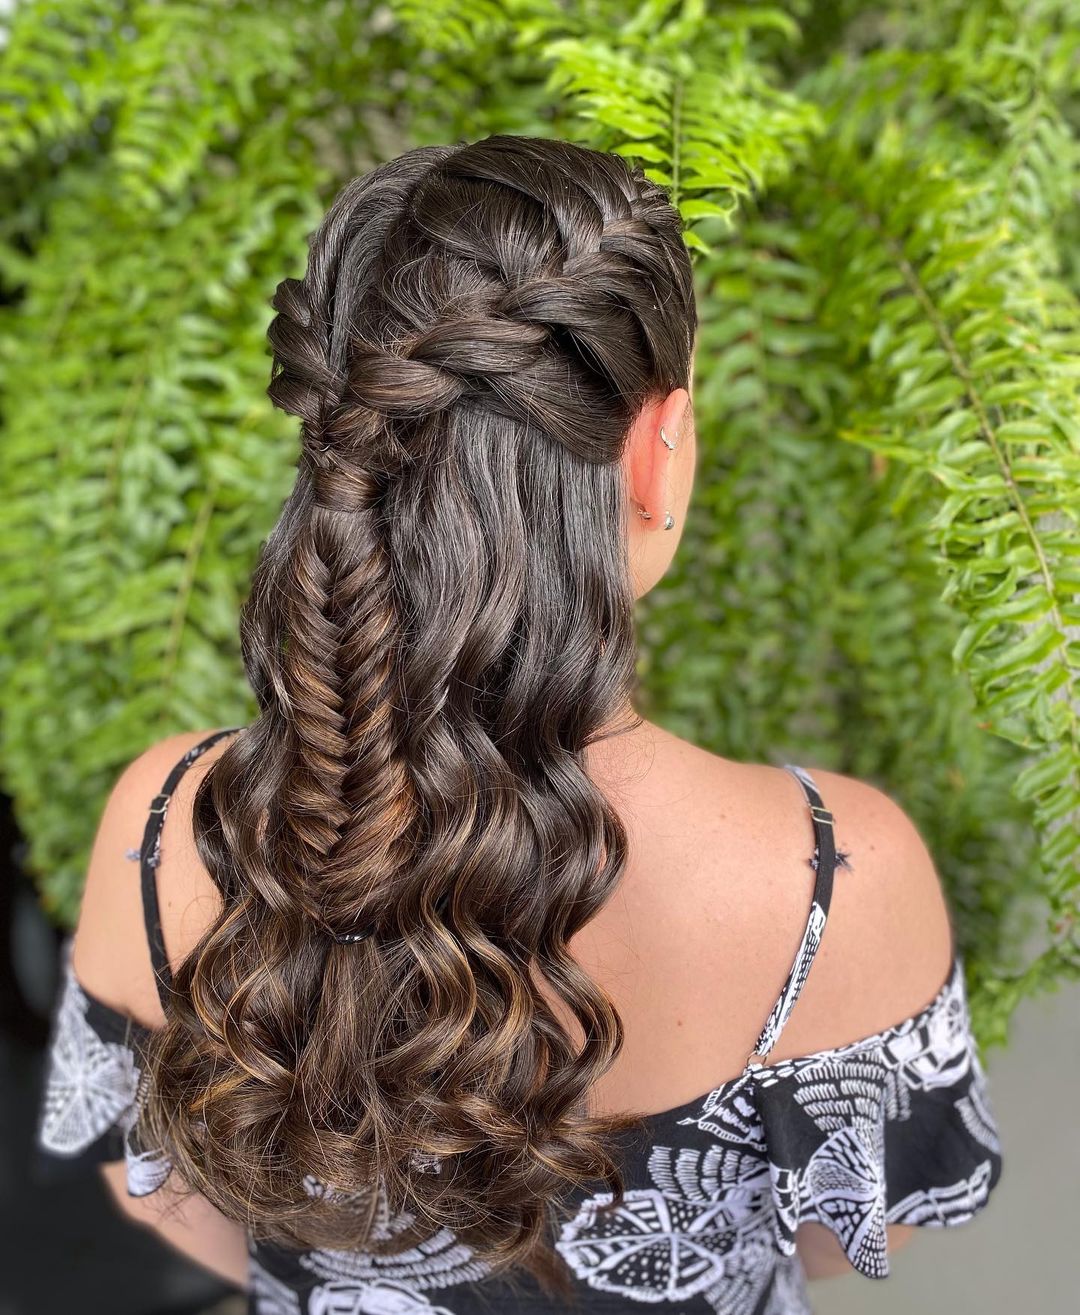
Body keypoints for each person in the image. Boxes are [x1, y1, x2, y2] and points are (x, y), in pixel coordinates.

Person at [34, 133, 1002, 1314]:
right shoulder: (838, 873)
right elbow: (852, 1232)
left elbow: (160, 1191)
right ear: (660, 450)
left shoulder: (169, 824)